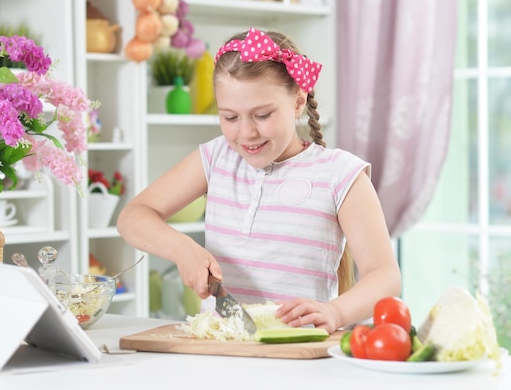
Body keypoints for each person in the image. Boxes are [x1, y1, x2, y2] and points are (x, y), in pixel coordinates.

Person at [117, 27, 401, 333]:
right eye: (230, 117)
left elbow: (385, 275)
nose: (246, 133)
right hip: (222, 350)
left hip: (299, 351)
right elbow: (133, 217)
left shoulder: (339, 173)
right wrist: (183, 250)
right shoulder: (217, 158)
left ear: (298, 102)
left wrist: (335, 312)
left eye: (262, 115)